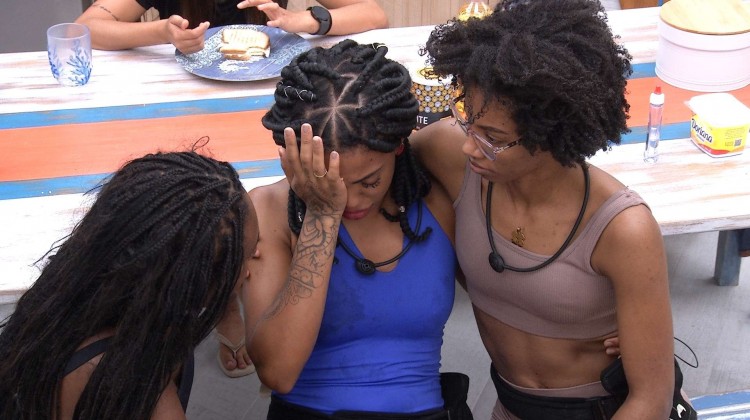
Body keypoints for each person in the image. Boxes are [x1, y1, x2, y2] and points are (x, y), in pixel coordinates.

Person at [410, 0, 682, 418]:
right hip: (509, 405)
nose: (470, 146)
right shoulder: (451, 156)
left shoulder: (622, 229)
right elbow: (370, 155)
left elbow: (651, 399)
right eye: (468, 121)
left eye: (493, 138)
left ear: (551, 134)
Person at [240, 39, 472, 419]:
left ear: (399, 145)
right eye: (328, 183)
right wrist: (321, 213)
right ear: (295, 158)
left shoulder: (433, 194)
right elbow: (277, 372)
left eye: (369, 181)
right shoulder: (268, 209)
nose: (349, 201)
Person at [0, 151, 259, 420]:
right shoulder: (132, 389)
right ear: (194, 282)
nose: (250, 270)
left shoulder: (74, 289)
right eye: (246, 257)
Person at [75, 0, 388, 54]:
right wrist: (161, 32)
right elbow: (85, 28)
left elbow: (373, 14)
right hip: (185, 99)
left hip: (275, 92)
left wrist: (307, 20)